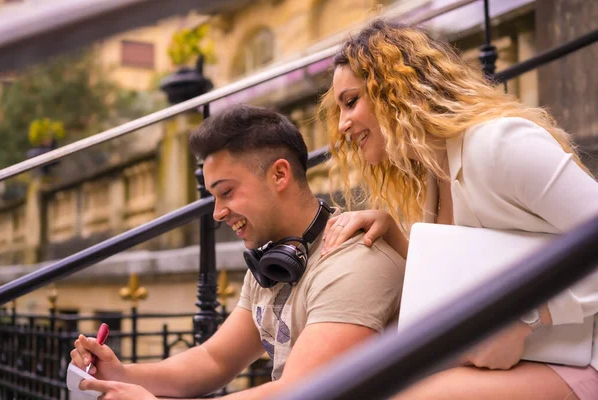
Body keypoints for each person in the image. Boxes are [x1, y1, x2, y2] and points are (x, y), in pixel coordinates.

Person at [317, 19, 598, 400]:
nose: (344, 124)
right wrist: (393, 233)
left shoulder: (497, 144)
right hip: (547, 358)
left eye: (351, 101)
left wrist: (524, 318)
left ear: (396, 90)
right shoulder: (432, 173)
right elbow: (469, 267)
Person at [69, 104, 405, 399]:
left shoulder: (354, 261)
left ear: (279, 174)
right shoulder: (271, 261)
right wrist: (122, 374)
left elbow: (301, 391)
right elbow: (213, 361)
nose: (217, 213)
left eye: (226, 192)